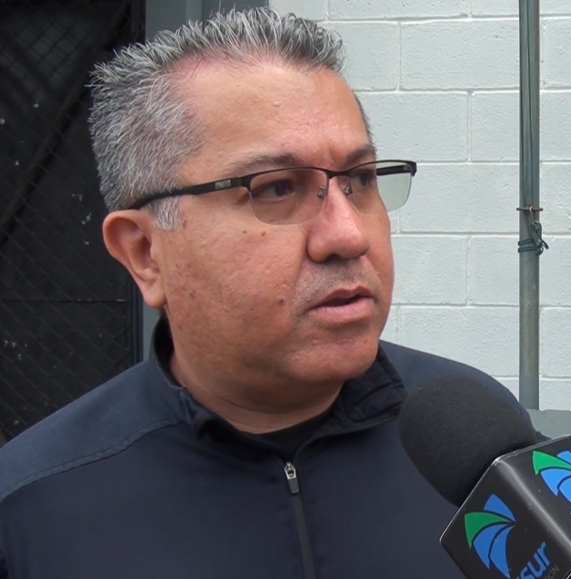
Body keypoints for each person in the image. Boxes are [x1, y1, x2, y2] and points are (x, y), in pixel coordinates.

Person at [0, 8, 534, 578]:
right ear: (145, 252)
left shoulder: (479, 443)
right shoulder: (31, 513)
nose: (348, 235)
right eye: (276, 189)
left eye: (359, 180)